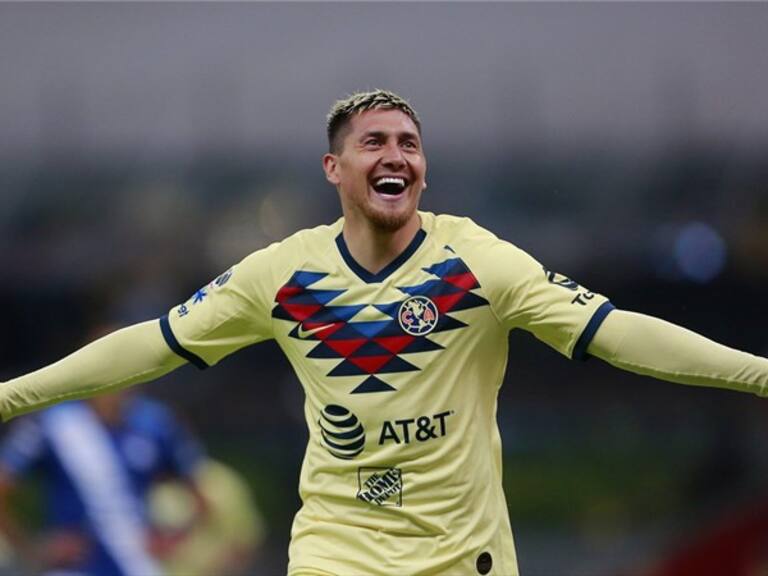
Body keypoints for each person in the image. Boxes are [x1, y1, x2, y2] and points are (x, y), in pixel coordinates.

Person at [1, 89, 766, 576]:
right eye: (374, 142)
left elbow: (614, 331)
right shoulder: (283, 275)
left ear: (423, 171)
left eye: (408, 143)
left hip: (463, 556)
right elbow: (152, 342)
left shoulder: (476, 260)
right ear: (334, 169)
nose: (395, 154)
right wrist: (14, 395)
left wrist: (758, 371)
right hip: (338, 554)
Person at [0, 387, 207, 576]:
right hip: (73, 568)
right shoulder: (54, 422)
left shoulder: (157, 421)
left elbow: (201, 497)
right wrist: (33, 548)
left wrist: (170, 540)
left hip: (135, 563)